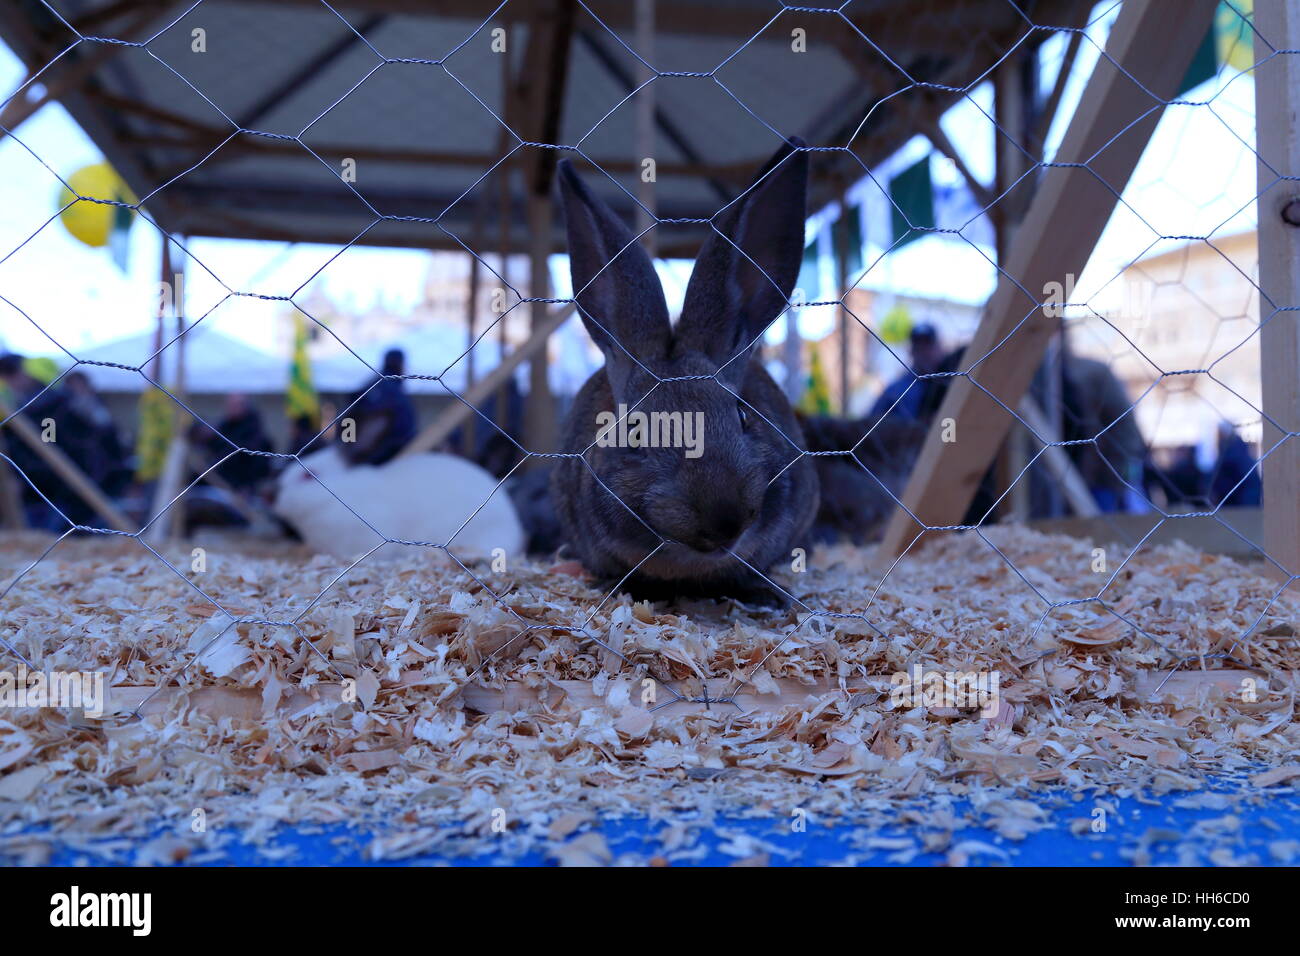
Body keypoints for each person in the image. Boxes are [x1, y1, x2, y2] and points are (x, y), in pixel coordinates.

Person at [340, 348, 417, 466]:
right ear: (400, 364)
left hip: (359, 456)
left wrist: (346, 444)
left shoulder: (371, 384)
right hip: (381, 459)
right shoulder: (391, 390)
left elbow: (348, 416)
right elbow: (380, 420)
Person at [868, 323, 947, 422]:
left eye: (927, 346)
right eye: (918, 347)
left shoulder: (949, 384)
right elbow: (870, 421)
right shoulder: (896, 389)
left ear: (939, 349)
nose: (922, 352)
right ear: (911, 351)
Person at [1210, 423, 1261, 508]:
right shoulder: (1228, 453)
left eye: (1219, 433)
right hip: (1235, 505)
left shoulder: (1233, 456)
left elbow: (1249, 484)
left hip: (1240, 506)